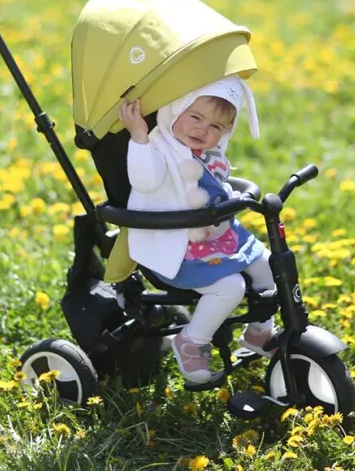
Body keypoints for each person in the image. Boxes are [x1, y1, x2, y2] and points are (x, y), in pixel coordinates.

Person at [118, 75, 278, 384]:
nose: (203, 129)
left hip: (217, 236)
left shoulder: (207, 155)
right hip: (177, 246)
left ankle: (260, 331)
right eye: (195, 117)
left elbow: (212, 187)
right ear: (174, 110)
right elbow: (145, 181)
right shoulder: (159, 149)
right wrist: (138, 135)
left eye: (216, 127)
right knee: (231, 286)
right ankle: (191, 340)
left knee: (268, 265)